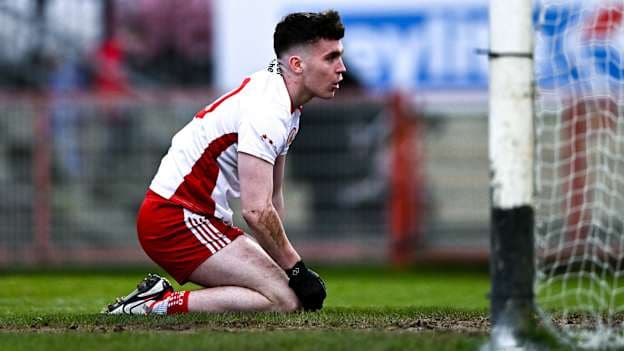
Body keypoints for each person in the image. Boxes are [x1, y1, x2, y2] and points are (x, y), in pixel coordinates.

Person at [102, 10, 346, 315]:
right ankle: (152, 306)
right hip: (175, 218)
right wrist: (296, 270)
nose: (342, 68)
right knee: (282, 300)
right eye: (331, 58)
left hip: (194, 216)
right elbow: (256, 211)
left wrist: (288, 268)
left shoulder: (282, 98)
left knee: (284, 293)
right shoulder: (268, 110)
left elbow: (272, 198)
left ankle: (154, 302)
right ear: (296, 64)